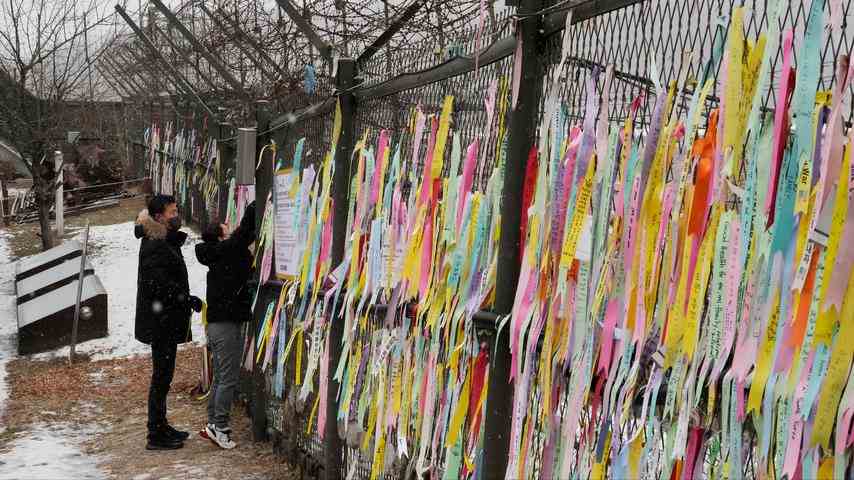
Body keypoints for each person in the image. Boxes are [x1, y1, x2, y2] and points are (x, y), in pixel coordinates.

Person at [134, 195, 203, 450]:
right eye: (172, 212)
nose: (177, 215)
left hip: (165, 319)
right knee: (161, 377)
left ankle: (161, 426)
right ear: (160, 216)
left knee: (164, 375)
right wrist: (186, 299)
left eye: (176, 210)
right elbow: (158, 285)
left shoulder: (162, 239)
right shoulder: (154, 243)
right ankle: (155, 433)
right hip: (160, 321)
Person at [195, 201, 256, 449]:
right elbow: (243, 235)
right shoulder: (227, 251)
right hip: (226, 325)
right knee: (228, 378)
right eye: (225, 228)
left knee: (221, 377)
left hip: (217, 325)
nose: (230, 229)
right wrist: (258, 203)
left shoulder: (218, 256)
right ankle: (220, 427)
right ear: (221, 236)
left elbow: (242, 238)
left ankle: (213, 423)